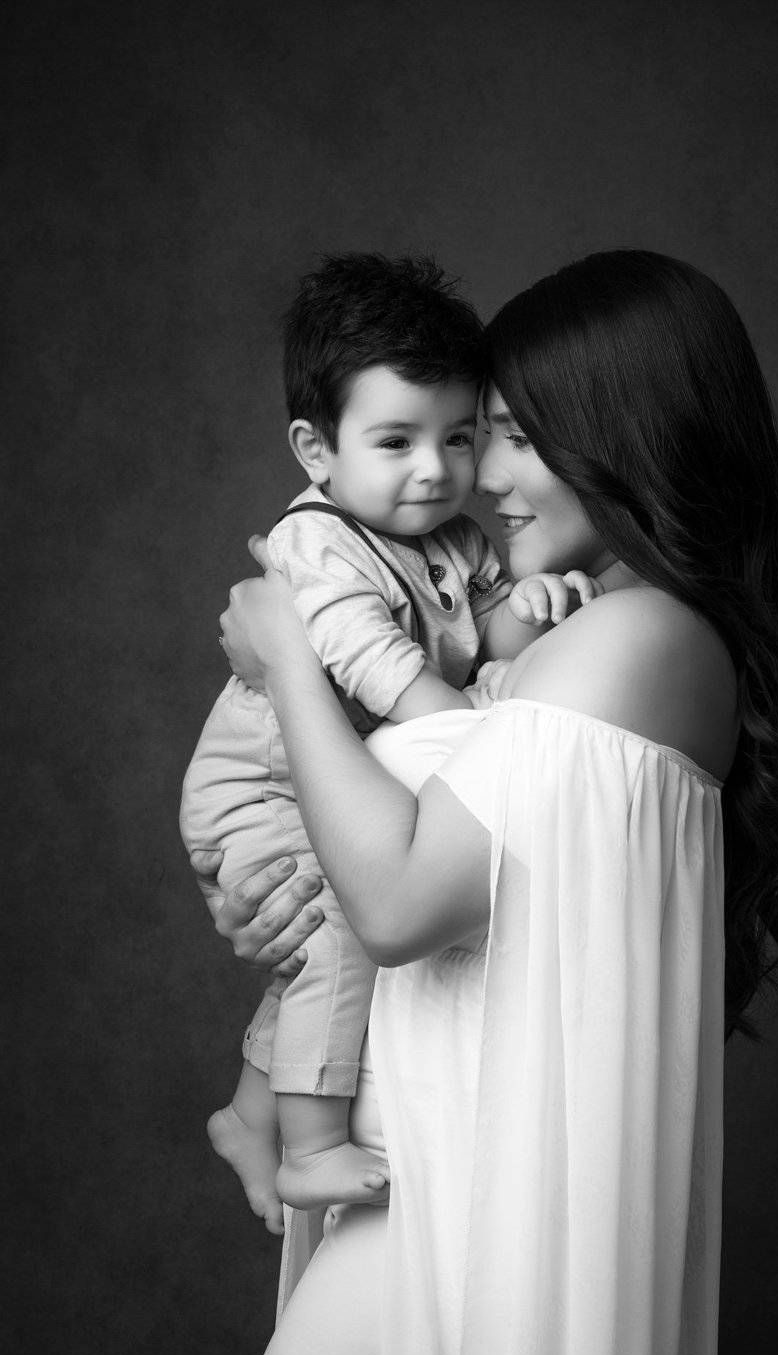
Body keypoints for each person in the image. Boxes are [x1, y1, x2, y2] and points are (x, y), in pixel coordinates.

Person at [198, 249, 778, 1355]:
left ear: (622, 435)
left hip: (458, 1215)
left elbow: (397, 904)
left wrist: (287, 657)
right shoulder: (580, 624)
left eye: (516, 439)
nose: (478, 477)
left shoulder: (634, 637)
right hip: (425, 1193)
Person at [181, 253, 593, 1226]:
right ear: (315, 450)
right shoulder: (316, 542)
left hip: (323, 779)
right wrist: (471, 734)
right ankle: (311, 1150)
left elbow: (488, 638)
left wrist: (530, 606)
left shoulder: (456, 539)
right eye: (397, 441)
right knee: (335, 937)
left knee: (321, 949)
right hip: (257, 788)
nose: (436, 469)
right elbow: (379, 667)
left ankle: (249, 1114)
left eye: (458, 438)